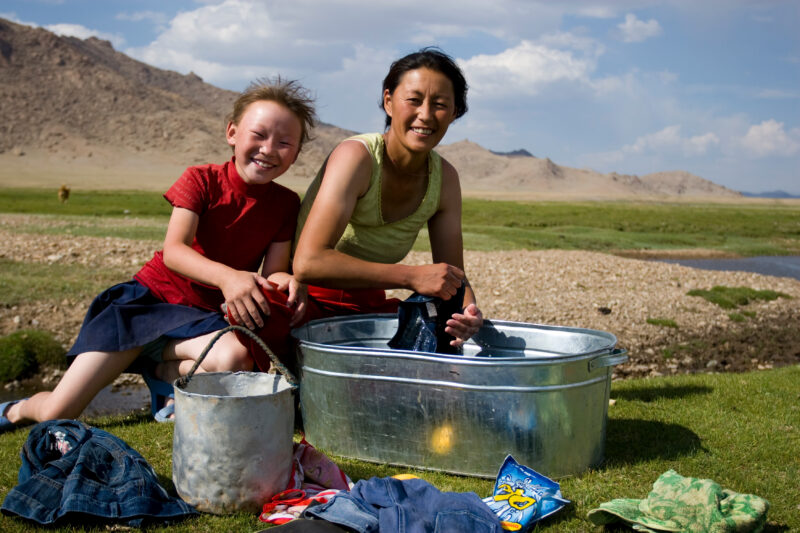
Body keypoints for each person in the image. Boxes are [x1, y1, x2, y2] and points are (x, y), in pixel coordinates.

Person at [0, 78, 316, 431]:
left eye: (285, 142)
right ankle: (17, 409)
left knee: (235, 357)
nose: (269, 149)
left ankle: (162, 373)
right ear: (232, 133)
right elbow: (174, 251)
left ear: (297, 152)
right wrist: (229, 277)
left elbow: (273, 271)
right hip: (145, 308)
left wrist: (287, 280)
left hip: (201, 319)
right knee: (56, 413)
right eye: (258, 134)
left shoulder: (286, 204)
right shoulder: (201, 180)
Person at [291, 47, 483, 347]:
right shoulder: (357, 158)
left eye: (441, 104)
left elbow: (454, 276)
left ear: (455, 112)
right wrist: (410, 276)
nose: (426, 115)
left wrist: (469, 313)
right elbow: (307, 263)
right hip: (303, 298)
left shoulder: (445, 179)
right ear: (389, 101)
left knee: (439, 340)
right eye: (414, 100)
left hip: (368, 306)